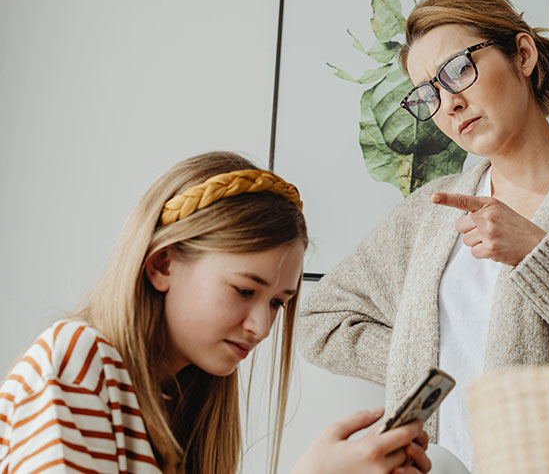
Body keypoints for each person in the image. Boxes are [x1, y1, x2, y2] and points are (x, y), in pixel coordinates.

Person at [297, 0, 549, 471]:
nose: (449, 104)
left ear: (523, 55)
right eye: (428, 94)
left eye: (457, 70)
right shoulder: (432, 210)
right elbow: (322, 319)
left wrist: (540, 255)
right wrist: (426, 356)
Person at [0, 151, 431, 474]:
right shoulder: (78, 358)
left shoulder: (184, 405)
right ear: (162, 265)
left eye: (278, 303)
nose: (261, 327)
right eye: (244, 289)